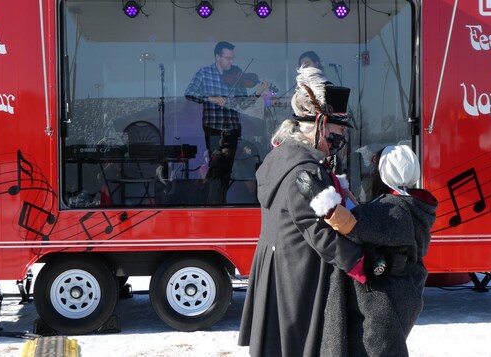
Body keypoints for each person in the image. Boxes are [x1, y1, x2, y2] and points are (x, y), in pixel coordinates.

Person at [238, 66, 367, 356]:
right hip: (296, 273)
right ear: (320, 126)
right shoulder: (304, 170)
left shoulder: (283, 155)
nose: (339, 138)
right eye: (336, 130)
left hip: (283, 264)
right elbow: (318, 233)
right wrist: (362, 263)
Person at [299, 144, 438, 356]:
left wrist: (322, 200)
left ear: (385, 172)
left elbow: (354, 225)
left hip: (385, 301)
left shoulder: (395, 209)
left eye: (376, 168)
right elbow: (369, 218)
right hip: (399, 294)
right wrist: (343, 190)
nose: (370, 173)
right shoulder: (410, 204)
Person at [185, 41, 270, 203]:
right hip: (214, 126)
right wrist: (211, 98)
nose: (231, 62)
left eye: (232, 59)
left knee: (228, 168)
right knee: (216, 166)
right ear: (217, 57)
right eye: (228, 58)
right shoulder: (204, 73)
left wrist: (258, 92)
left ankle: (220, 201)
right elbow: (189, 93)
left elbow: (243, 104)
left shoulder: (237, 77)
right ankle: (212, 202)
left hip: (232, 127)